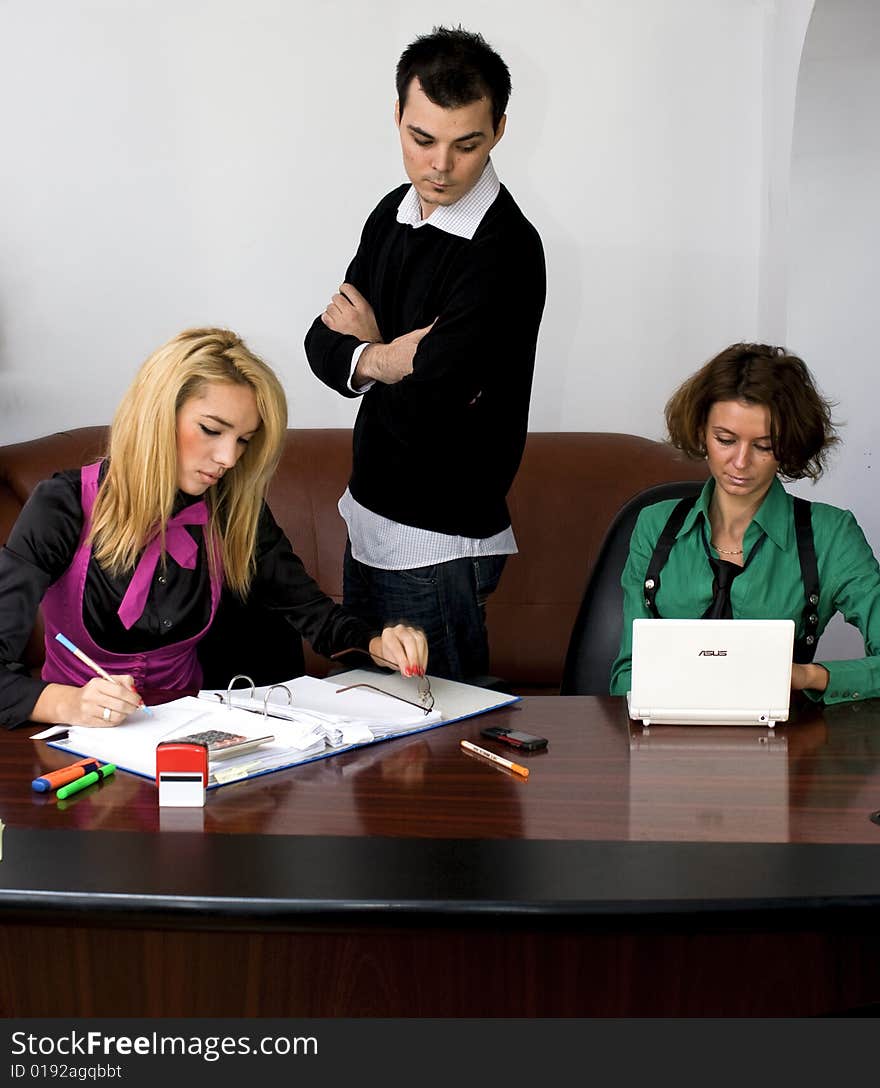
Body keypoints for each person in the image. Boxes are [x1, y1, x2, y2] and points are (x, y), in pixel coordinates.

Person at [0, 327, 428, 729]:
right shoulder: (61, 508)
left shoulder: (234, 512)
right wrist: (68, 703)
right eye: (211, 429)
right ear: (156, 414)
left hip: (199, 738)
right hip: (76, 747)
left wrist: (379, 642)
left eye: (243, 440)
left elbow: (316, 617)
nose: (228, 457)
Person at [305, 26, 546, 684]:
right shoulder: (395, 212)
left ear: (497, 130)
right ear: (397, 117)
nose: (440, 165)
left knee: (436, 738)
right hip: (370, 518)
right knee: (369, 729)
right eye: (423, 140)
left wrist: (370, 347)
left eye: (465, 144)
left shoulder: (504, 253)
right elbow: (322, 342)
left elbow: (435, 404)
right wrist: (386, 355)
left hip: (438, 542)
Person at [610, 343, 880, 703]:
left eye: (764, 446)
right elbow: (627, 671)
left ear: (789, 446)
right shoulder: (654, 525)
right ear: (701, 430)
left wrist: (807, 676)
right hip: (663, 741)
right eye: (725, 440)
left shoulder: (831, 535)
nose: (740, 462)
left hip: (781, 743)